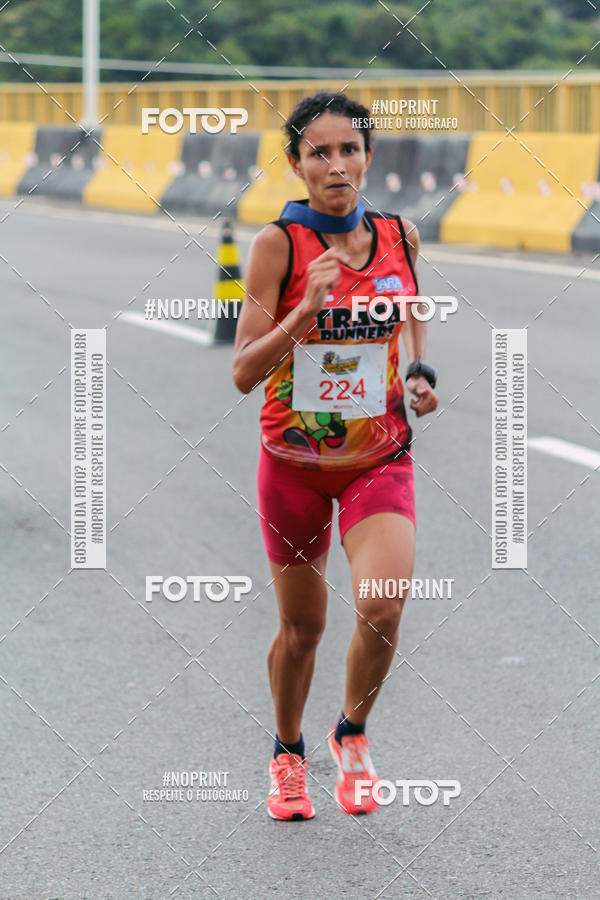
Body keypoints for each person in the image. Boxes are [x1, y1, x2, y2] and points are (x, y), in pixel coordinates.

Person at [231, 91, 438, 820]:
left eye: (349, 149)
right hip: (293, 466)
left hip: (379, 457)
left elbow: (411, 311)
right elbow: (243, 372)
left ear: (368, 157)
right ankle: (288, 754)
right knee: (304, 629)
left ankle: (351, 733)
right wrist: (303, 313)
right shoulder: (276, 247)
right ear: (296, 164)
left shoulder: (398, 236)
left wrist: (420, 373)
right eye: (319, 152)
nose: (337, 164)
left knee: (383, 605)